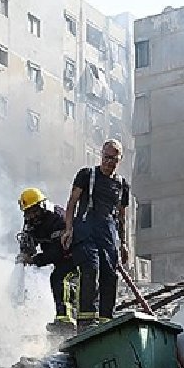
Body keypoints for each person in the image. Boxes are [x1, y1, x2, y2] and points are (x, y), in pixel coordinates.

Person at [60, 140, 130, 330]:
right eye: (106, 157)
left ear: (119, 160)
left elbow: (121, 216)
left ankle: (106, 321)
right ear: (101, 155)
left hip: (108, 233)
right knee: (91, 268)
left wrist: (124, 243)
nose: (109, 162)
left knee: (110, 274)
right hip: (85, 229)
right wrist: (68, 229)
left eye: (113, 159)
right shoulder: (86, 175)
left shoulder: (122, 185)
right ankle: (86, 320)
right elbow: (72, 203)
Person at [17, 187, 78, 331]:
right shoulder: (33, 222)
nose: (31, 216)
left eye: (34, 211)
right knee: (58, 279)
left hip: (74, 258)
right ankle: (66, 318)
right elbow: (30, 238)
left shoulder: (58, 219)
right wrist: (24, 253)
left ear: (42, 206)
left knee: (60, 279)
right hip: (61, 261)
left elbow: (57, 251)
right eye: (28, 213)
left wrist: (34, 260)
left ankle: (66, 321)